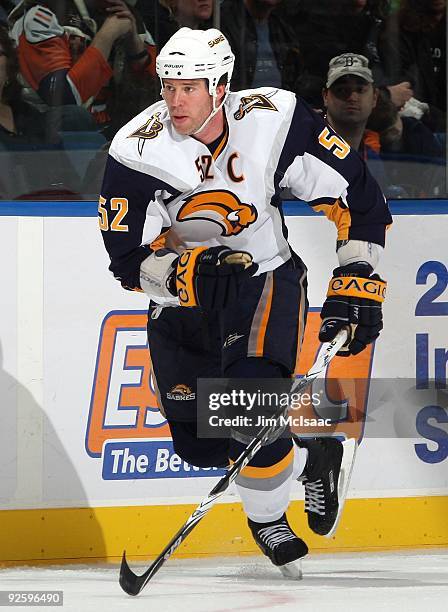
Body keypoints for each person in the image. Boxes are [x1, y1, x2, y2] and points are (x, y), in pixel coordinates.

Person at [98, 28, 391, 573]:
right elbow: (126, 260)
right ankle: (311, 455)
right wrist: (188, 270)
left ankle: (266, 517)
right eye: (168, 85)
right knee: (201, 442)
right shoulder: (135, 150)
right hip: (186, 300)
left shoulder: (274, 120)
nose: (175, 99)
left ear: (222, 84)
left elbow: (356, 195)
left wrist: (358, 275)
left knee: (248, 409)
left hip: (262, 278)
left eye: (190, 86)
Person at [9, 0, 156, 132]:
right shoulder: (44, 14)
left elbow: (159, 93)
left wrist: (136, 48)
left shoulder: (130, 17)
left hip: (108, 130)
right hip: (42, 131)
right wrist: (107, 36)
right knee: (76, 118)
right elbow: (60, 98)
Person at [322, 53, 387, 190]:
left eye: (360, 89)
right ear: (325, 96)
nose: (352, 97)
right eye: (342, 90)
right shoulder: (303, 149)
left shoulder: (373, 160)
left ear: (374, 97)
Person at [220, 0, 304, 92]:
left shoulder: (284, 25)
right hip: (241, 103)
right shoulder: (224, 21)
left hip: (283, 102)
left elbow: (297, 76)